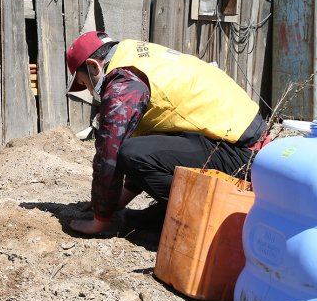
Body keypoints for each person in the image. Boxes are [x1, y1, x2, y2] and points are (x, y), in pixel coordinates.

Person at [65, 31, 266, 235]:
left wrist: (100, 218)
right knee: (138, 149)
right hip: (240, 142)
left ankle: (214, 213)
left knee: (128, 152)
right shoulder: (135, 56)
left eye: (84, 83)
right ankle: (166, 212)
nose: (90, 92)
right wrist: (115, 202)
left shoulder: (123, 83)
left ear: (93, 65)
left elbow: (110, 153)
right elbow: (150, 148)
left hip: (241, 155)